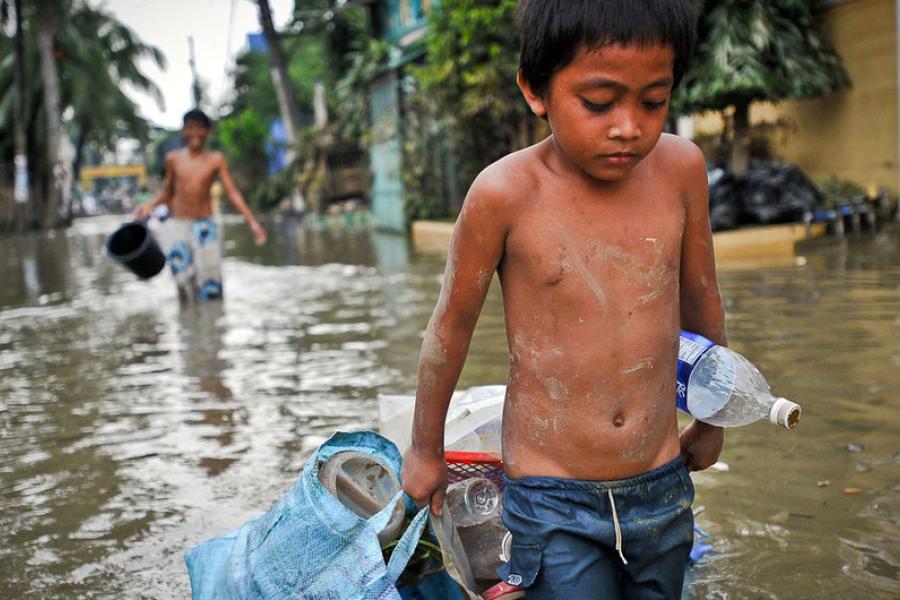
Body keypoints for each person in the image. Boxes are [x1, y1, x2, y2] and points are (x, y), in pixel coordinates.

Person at [400, 1, 726, 598]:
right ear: (535, 90)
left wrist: (712, 416)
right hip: (551, 494)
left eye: (653, 100)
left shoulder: (681, 169)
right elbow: (450, 328)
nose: (629, 126)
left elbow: (702, 302)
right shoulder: (504, 194)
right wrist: (425, 450)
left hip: (661, 480)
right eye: (599, 104)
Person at [135, 109, 267, 301]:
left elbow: (232, 192)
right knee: (181, 279)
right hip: (179, 224)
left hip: (205, 225)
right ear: (183, 132)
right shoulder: (173, 159)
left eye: (199, 128)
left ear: (207, 132)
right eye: (190, 128)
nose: (194, 133)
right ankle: (189, 324)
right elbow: (168, 191)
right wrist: (150, 205)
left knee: (209, 282)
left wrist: (253, 223)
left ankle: (212, 326)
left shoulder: (215, 159)